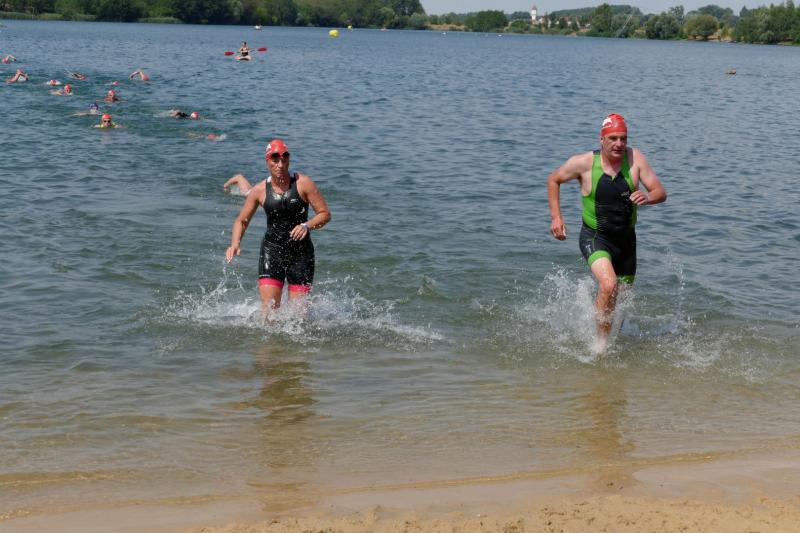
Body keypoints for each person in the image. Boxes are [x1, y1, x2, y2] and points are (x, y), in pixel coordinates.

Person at [547, 113, 666, 351]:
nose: (619, 144)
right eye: (613, 138)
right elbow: (554, 180)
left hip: (626, 241)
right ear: (601, 140)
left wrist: (648, 197)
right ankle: (600, 347)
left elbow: (660, 192)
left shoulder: (636, 159)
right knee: (609, 284)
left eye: (623, 138)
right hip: (595, 236)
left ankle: (613, 341)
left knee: (621, 303)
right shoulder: (584, 163)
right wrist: (557, 217)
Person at [225, 139, 331, 313]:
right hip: (272, 251)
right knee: (269, 309)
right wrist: (235, 244)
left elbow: (325, 214)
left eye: (284, 159)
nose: (280, 165)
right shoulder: (260, 190)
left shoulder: (303, 183)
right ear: (267, 161)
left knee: (299, 314)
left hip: (301, 253)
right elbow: (241, 220)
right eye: (275, 160)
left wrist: (307, 225)